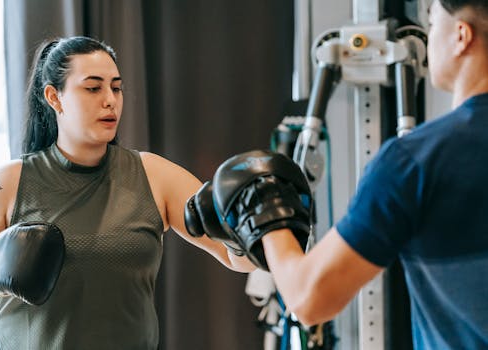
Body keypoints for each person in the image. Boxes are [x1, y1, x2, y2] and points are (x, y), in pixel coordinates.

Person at [196, 0, 488, 349]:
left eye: (433, 20)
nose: (428, 34)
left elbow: (309, 300)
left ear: (461, 36)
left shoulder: (415, 163)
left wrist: (261, 205)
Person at [0, 36, 255, 350]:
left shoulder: (153, 175)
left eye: (116, 88)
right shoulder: (12, 182)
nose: (110, 100)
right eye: (93, 88)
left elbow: (235, 256)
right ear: (54, 97)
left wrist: (261, 225)